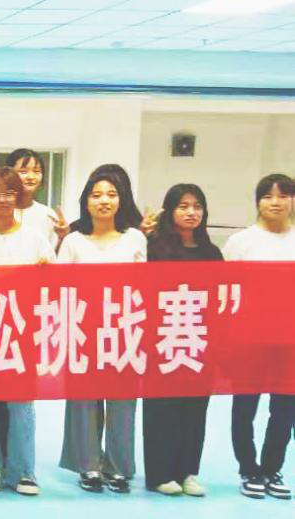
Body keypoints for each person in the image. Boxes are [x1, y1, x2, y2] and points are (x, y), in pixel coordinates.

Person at [56, 167, 146, 494]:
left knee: (122, 403)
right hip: (83, 330)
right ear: (86, 202)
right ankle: (89, 465)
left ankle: (118, 467)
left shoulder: (135, 238)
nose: (104, 201)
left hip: (125, 330)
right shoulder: (73, 242)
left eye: (111, 194)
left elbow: (146, 287)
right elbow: (60, 289)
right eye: (96, 195)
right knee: (84, 402)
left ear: (121, 200)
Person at [0, 167, 53, 497]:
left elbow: (52, 284)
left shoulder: (36, 239)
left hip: (23, 332)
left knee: (22, 405)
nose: (2, 200)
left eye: (9, 193)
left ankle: (24, 470)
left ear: (19, 197)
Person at [142, 183, 220, 497]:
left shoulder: (211, 253)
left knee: (195, 409)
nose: (191, 212)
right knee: (162, 409)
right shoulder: (154, 248)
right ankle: (160, 474)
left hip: (199, 340)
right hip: (162, 339)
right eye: (183, 206)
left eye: (197, 206)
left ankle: (187, 472)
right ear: (170, 210)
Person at [223, 173, 295, 500]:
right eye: (268, 196)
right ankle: (248, 469)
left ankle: (271, 468)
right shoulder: (241, 242)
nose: (275, 202)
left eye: (283, 195)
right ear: (258, 202)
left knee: (284, 409)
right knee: (244, 406)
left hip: (290, 341)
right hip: (248, 338)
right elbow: (222, 291)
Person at [5, 148, 68, 248]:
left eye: (37, 171)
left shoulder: (48, 215)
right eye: (23, 171)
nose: (31, 177)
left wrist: (62, 238)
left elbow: (53, 254)